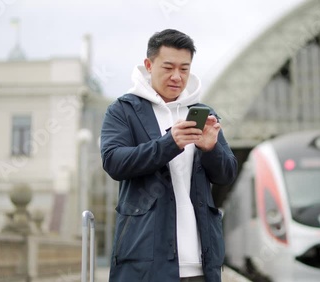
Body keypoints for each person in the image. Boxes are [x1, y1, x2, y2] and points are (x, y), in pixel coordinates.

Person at [100, 29, 238, 282]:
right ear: (149, 65)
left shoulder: (202, 112)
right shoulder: (123, 110)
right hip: (144, 260)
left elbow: (227, 173)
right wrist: (169, 144)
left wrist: (211, 149)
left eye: (184, 69)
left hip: (200, 261)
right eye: (168, 67)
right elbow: (114, 162)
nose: (177, 76)